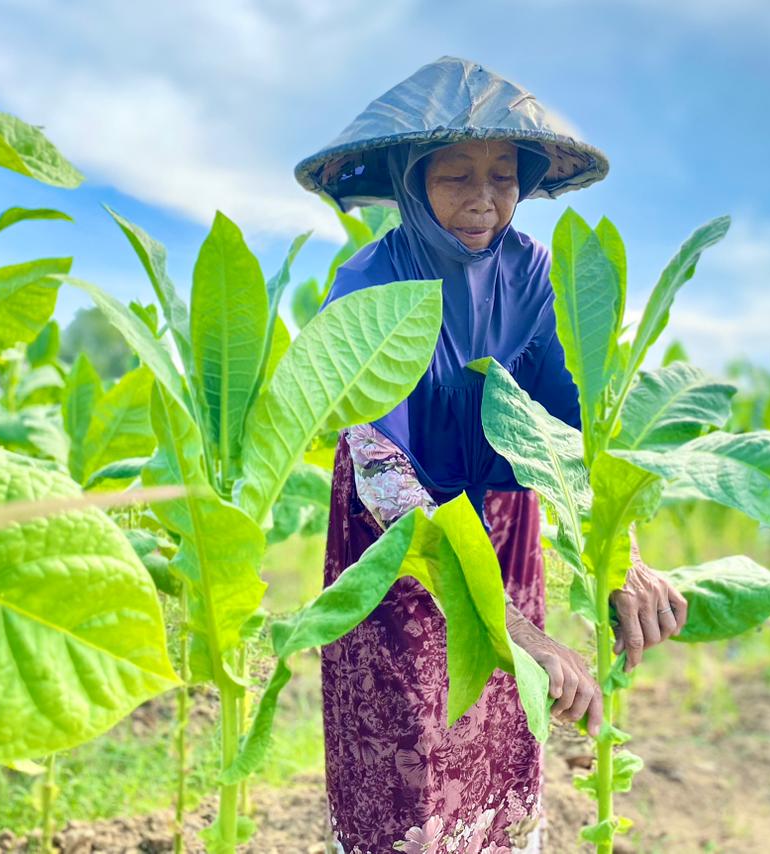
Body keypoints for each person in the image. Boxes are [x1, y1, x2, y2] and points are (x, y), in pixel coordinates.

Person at [293, 56, 689, 853]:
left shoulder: (533, 270)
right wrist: (516, 628)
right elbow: (385, 476)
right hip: (401, 540)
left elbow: (572, 423)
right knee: (410, 747)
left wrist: (623, 552)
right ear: (412, 181)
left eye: (504, 177)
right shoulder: (368, 282)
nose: (484, 202)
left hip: (505, 520)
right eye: (456, 178)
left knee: (505, 728)